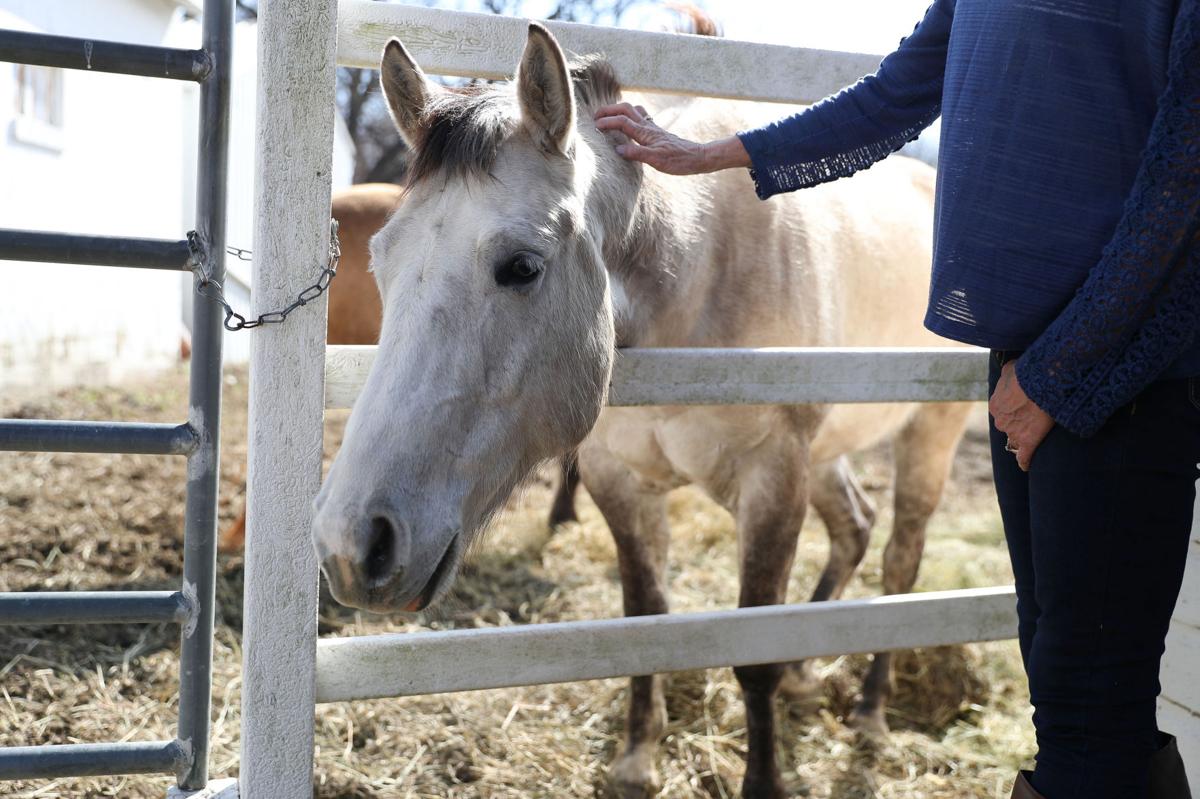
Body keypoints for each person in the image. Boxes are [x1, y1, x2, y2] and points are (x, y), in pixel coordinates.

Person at [594, 1, 1200, 797]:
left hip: (1113, 370)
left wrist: (1060, 372)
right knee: (1058, 676)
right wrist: (713, 153)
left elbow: (1186, 176)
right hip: (1033, 357)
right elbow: (893, 98)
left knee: (1091, 699)